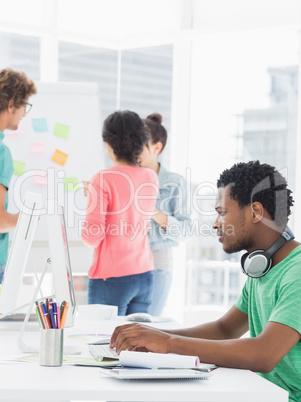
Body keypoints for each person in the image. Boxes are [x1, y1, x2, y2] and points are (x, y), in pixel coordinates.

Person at [111, 161, 301, 402]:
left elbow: (264, 354)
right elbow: (225, 329)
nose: (215, 223)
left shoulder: (297, 271)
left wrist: (168, 343)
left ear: (255, 212)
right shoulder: (263, 268)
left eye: (222, 213)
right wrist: (151, 336)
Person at [81, 110, 159, 315]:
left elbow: (91, 236)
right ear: (141, 143)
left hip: (111, 277)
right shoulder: (151, 177)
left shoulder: (101, 179)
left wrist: (91, 197)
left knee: (104, 343)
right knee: (136, 345)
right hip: (144, 274)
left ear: (108, 145)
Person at [139, 113, 192, 316]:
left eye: (140, 145)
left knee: (145, 328)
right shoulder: (124, 177)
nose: (133, 151)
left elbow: (186, 230)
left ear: (157, 147)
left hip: (157, 264)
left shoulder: (175, 182)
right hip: (125, 263)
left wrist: (154, 212)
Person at [0, 68, 36, 283]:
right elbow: (1, 221)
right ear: (11, 104)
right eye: (25, 106)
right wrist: (30, 217)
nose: (24, 113)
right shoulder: (2, 153)